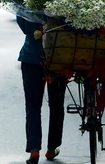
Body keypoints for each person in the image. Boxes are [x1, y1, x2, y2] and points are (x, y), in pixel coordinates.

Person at [16, 15, 68, 163]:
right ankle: (51, 149)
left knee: (32, 106)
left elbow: (23, 25)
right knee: (57, 105)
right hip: (58, 57)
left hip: (31, 56)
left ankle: (34, 150)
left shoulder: (26, 0)